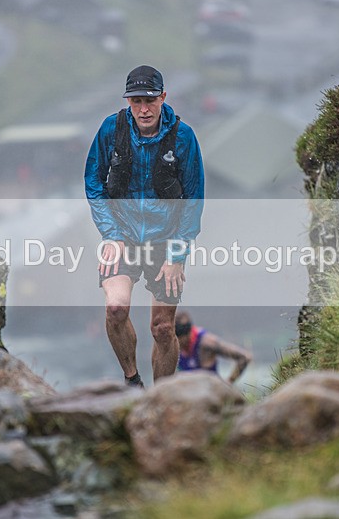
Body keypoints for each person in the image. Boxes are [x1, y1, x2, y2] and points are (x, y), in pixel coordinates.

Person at [84, 65, 205, 388]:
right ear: (128, 102)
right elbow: (93, 184)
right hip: (121, 236)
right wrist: (111, 235)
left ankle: (162, 396)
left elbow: (193, 201)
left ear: (163, 97)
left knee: (163, 328)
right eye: (136, 101)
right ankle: (132, 382)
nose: (144, 109)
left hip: (167, 241)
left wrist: (177, 256)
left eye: (150, 100)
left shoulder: (183, 137)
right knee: (115, 308)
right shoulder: (111, 130)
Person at [175, 311, 252, 384]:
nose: (176, 342)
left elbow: (245, 357)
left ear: (187, 334)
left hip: (210, 393)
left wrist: (229, 382)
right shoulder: (172, 345)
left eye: (178, 339)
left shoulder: (207, 343)